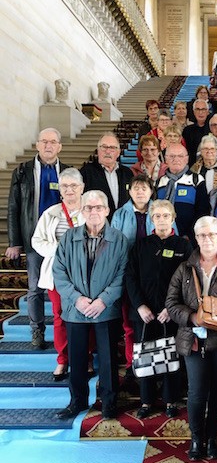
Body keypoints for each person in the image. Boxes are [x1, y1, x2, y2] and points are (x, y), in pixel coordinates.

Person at [166, 216, 217, 460]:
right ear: (196, 237)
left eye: (212, 234)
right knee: (196, 392)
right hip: (192, 340)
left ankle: (212, 437)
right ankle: (196, 439)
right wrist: (192, 317)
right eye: (202, 235)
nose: (207, 239)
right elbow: (171, 303)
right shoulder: (184, 268)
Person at [53, 190, 128, 420]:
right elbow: (59, 271)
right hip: (76, 309)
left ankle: (108, 403)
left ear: (107, 210)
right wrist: (77, 298)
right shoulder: (69, 237)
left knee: (107, 360)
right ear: (82, 211)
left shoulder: (119, 239)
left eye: (98, 208)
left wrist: (103, 300)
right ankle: (77, 401)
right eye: (88, 208)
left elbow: (122, 274)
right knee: (77, 360)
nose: (93, 212)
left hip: (105, 310)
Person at [126, 200, 193, 418]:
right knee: (145, 355)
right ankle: (146, 401)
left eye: (166, 216)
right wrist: (140, 306)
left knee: (170, 356)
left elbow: (189, 281)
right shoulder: (141, 246)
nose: (162, 220)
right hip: (144, 313)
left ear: (173, 218)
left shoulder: (183, 246)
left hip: (171, 312)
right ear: (151, 219)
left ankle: (170, 400)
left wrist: (171, 308)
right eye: (157, 216)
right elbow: (131, 278)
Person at [7, 127, 70, 349]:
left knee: (63, 288)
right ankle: (37, 330)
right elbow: (13, 207)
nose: (48, 145)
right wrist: (14, 242)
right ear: (37, 145)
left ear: (59, 146)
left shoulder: (68, 171)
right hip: (35, 240)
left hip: (63, 242)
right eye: (44, 141)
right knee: (35, 288)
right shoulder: (23, 171)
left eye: (53, 142)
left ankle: (67, 330)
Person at [31, 168, 86, 379]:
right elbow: (37, 241)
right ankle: (63, 359)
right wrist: (59, 250)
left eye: (74, 185)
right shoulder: (50, 213)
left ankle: (86, 358)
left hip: (83, 274)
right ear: (59, 189)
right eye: (65, 186)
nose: (69, 189)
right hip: (57, 275)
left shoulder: (89, 210)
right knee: (60, 317)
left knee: (84, 317)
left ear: (82, 188)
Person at [111, 174, 155, 380]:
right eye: (136, 188)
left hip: (155, 276)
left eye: (144, 188)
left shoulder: (160, 210)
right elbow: (113, 245)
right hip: (129, 274)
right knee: (130, 324)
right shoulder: (120, 214)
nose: (140, 192)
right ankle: (132, 363)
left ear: (151, 191)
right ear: (129, 191)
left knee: (154, 323)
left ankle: (155, 365)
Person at [157, 144, 210, 239]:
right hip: (162, 236)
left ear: (187, 159)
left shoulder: (197, 180)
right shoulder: (159, 182)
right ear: (166, 159)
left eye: (180, 156)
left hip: (188, 238)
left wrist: (190, 235)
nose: (176, 159)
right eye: (172, 156)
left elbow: (203, 211)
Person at [80, 132, 133, 218]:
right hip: (97, 224)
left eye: (112, 148)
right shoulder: (86, 172)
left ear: (118, 152)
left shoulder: (127, 173)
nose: (108, 151)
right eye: (104, 147)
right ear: (98, 150)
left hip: (123, 225)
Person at [183, 99, 212, 166]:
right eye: (198, 109)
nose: (200, 112)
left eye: (203, 109)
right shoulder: (187, 130)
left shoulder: (213, 128)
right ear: (194, 112)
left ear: (207, 112)